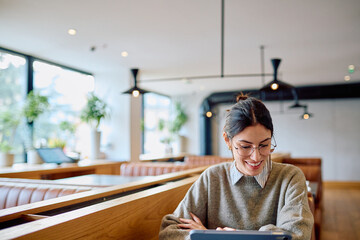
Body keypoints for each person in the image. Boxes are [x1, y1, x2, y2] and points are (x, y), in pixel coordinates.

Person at [159, 94, 314, 240]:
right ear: (228, 140)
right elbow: (169, 232)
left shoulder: (290, 177)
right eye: (245, 146)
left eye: (264, 145)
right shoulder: (212, 177)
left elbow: (296, 236)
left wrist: (214, 235)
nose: (256, 157)